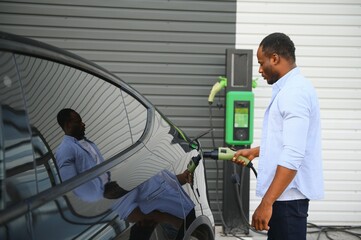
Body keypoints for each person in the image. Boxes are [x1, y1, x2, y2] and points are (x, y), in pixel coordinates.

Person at [232, 33, 324, 240]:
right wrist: (256, 152)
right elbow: (288, 142)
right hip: (284, 199)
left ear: (275, 58)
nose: (259, 69)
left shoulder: (294, 93)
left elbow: (293, 154)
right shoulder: (289, 90)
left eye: (261, 62)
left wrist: (266, 203)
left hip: (287, 201)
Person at [55, 108, 195, 239]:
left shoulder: (88, 144)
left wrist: (181, 178)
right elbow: (74, 189)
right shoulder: (66, 150)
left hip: (179, 210)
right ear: (68, 125)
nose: (83, 124)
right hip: (123, 201)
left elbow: (158, 183)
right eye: (78, 121)